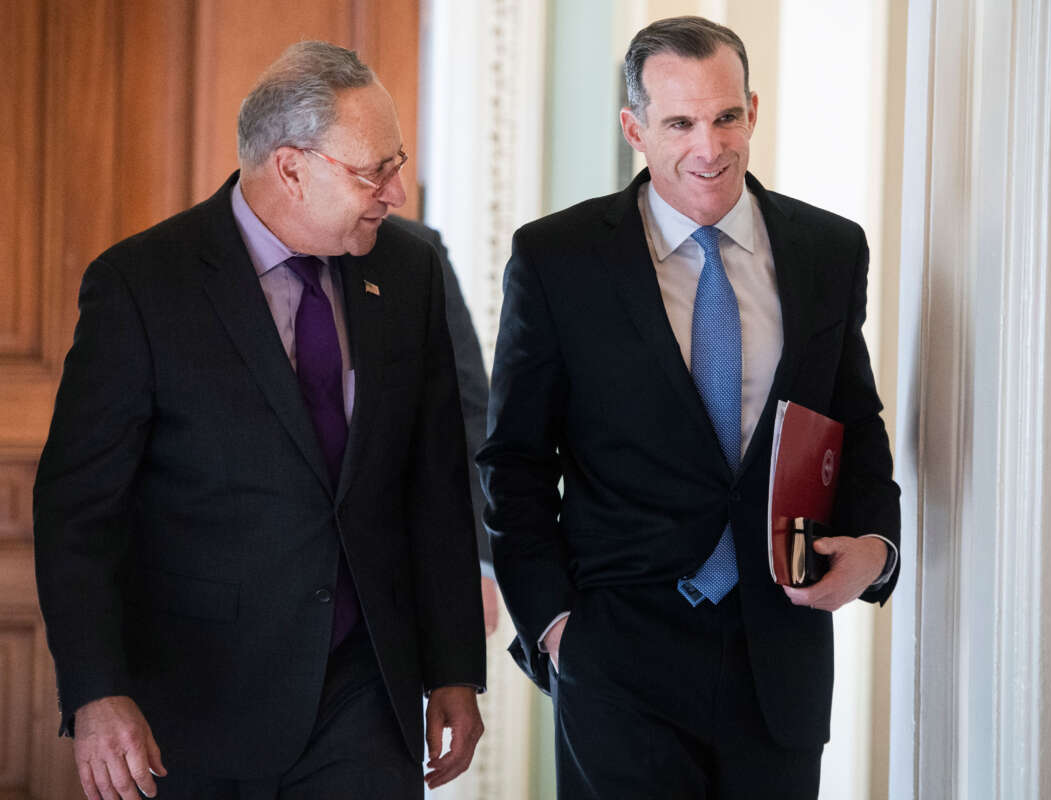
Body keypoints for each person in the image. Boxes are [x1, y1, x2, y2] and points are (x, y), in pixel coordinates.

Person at [33, 41, 485, 800]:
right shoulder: (143, 285)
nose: (398, 191)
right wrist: (95, 690)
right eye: (375, 169)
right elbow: (78, 510)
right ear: (291, 167)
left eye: (397, 161)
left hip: (365, 693)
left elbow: (434, 483)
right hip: (193, 703)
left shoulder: (409, 272)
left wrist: (453, 669)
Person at [478, 16, 900, 798]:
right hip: (617, 659)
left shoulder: (828, 250)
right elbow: (515, 461)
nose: (709, 147)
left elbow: (855, 421)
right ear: (634, 128)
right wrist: (555, 627)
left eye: (726, 116)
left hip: (780, 657)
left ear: (754, 110)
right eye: (679, 122)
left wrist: (878, 547)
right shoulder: (558, 258)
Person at [391, 219, 501, 637]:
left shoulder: (418, 250)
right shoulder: (206, 255)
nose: (394, 193)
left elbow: (468, 408)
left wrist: (477, 559)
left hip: (406, 570)